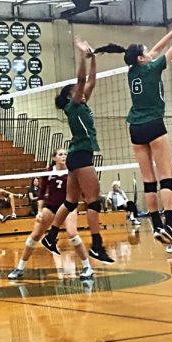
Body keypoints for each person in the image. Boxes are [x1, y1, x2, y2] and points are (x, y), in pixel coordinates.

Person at [106, 9, 172, 246]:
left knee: (149, 180)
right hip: (154, 124)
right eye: (145, 51)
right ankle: (170, 224)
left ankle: (156, 225)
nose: (150, 52)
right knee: (165, 178)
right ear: (140, 58)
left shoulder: (133, 71)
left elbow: (156, 49)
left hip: (135, 127)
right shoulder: (153, 68)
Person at [48, 37, 114, 264]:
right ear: (70, 95)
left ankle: (51, 236)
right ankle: (97, 245)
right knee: (93, 201)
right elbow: (82, 78)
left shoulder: (82, 103)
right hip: (81, 153)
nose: (83, 90)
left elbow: (91, 80)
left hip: (78, 154)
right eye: (78, 90)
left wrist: (93, 57)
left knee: (70, 202)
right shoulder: (73, 105)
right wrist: (82, 55)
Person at [9, 150, 86, 280]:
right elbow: (41, 193)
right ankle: (19, 268)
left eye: (65, 154)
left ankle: (87, 266)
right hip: (51, 207)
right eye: (60, 154)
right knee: (35, 235)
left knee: (72, 234)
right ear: (54, 157)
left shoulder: (72, 171)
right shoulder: (48, 172)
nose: (63, 156)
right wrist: (39, 211)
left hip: (67, 206)